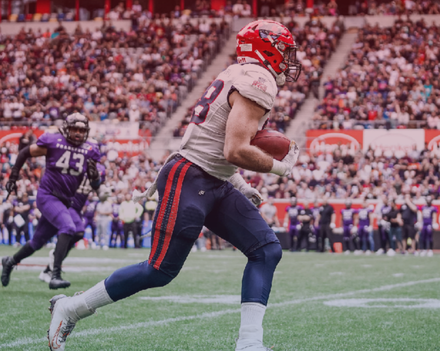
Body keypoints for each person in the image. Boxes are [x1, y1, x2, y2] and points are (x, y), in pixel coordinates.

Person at [47, 19, 301, 351]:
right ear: (267, 47)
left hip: (212, 178)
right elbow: (234, 149)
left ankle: (249, 343)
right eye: (284, 51)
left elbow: (207, 139)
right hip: (191, 177)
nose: (288, 60)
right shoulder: (258, 78)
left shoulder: (235, 74)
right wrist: (282, 168)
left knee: (266, 250)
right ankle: (72, 307)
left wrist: (238, 182)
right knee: (159, 270)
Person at [1, 113, 102, 289]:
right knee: (69, 227)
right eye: (74, 129)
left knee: (37, 242)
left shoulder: (90, 149)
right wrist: (14, 176)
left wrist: (95, 179)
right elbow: (26, 152)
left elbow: (95, 184)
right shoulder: (54, 141)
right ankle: (54, 274)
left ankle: (10, 261)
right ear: (66, 129)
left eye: (81, 130)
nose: (78, 133)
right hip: (47, 195)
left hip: (65, 201)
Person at [39, 165, 107, 283]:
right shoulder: (75, 160)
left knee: (72, 236)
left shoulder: (100, 169)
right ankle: (55, 264)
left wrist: (104, 193)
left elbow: (99, 188)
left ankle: (49, 269)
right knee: (79, 232)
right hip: (66, 203)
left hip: (77, 207)